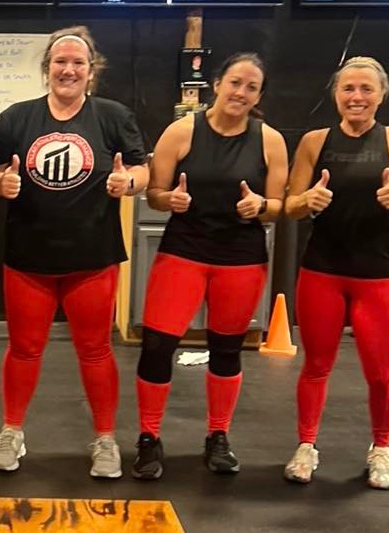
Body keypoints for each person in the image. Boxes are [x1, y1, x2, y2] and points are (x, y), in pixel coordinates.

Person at [0, 25, 149, 479]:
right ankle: (11, 431)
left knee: (95, 351)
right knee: (23, 349)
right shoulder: (16, 118)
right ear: (47, 68)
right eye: (60, 61)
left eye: (78, 63)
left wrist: (129, 182)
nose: (68, 70)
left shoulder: (113, 116)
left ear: (92, 71)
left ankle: (106, 439)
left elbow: (142, 170)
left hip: (92, 258)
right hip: (28, 258)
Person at [133, 52, 288, 480]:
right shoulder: (182, 131)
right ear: (217, 84)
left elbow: (279, 205)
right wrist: (170, 200)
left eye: (252, 87)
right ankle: (148, 437)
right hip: (184, 252)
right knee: (157, 346)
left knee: (226, 350)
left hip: (240, 257)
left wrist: (261, 205)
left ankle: (218, 436)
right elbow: (154, 194)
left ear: (259, 96)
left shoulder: (270, 140)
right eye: (235, 83)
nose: (241, 92)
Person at [282, 56, 389, 490]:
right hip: (323, 271)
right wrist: (308, 201)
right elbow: (290, 206)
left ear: (381, 95)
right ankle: (306, 445)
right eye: (348, 88)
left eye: (366, 89)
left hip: (379, 275)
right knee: (315, 366)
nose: (356, 97)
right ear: (336, 94)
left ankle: (381, 448)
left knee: (381, 374)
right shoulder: (314, 141)